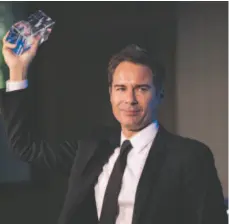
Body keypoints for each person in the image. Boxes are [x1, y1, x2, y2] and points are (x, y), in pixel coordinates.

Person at [0, 33, 227, 224]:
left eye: (141, 89)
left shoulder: (190, 157)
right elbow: (26, 147)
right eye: (121, 88)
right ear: (110, 94)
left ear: (160, 94)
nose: (130, 99)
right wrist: (17, 70)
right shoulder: (92, 148)